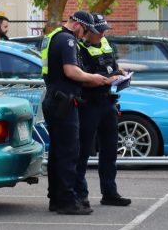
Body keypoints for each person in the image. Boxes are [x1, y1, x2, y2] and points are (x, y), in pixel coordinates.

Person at [41, 11, 113, 215]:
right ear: (77, 25)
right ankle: (66, 200)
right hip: (63, 101)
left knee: (57, 152)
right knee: (69, 152)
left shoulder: (54, 36)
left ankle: (56, 198)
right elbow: (71, 71)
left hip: (54, 99)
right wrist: (95, 79)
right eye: (85, 31)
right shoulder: (67, 40)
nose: (84, 36)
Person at [75, 13, 131, 207]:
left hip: (107, 102)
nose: (102, 34)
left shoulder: (105, 43)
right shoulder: (79, 48)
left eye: (104, 30)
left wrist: (120, 72)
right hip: (89, 103)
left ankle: (110, 192)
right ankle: (79, 195)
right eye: (99, 31)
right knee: (82, 151)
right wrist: (105, 80)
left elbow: (111, 66)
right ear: (88, 31)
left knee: (109, 150)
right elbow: (81, 79)